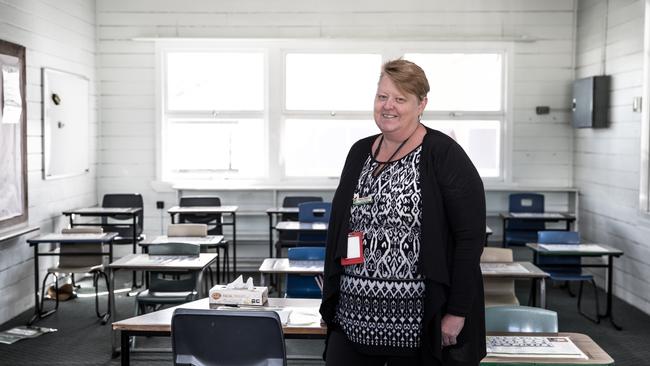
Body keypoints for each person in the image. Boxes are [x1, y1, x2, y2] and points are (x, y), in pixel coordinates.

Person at [320, 59, 486, 366]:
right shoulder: (359, 152)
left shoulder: (444, 154)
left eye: (400, 98)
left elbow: (470, 238)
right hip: (353, 320)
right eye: (382, 96)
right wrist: (331, 300)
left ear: (421, 104)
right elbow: (340, 229)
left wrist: (457, 311)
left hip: (417, 329)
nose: (388, 106)